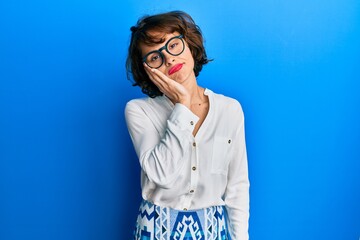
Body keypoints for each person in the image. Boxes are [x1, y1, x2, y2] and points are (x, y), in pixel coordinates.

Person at [125, 10, 249, 240]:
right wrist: (183, 105)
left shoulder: (230, 110)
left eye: (173, 45)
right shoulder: (138, 110)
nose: (169, 59)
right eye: (154, 57)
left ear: (190, 45)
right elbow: (161, 175)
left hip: (214, 230)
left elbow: (237, 187)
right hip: (155, 230)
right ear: (148, 71)